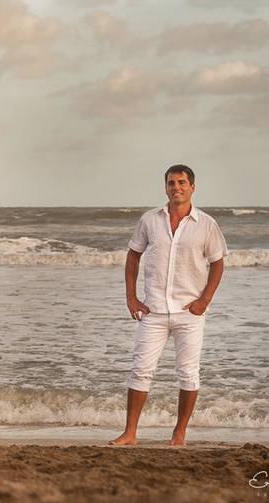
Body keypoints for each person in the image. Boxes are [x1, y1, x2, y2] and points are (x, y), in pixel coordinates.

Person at [110, 164, 226, 447]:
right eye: (171, 183)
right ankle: (130, 433)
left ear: (192, 187)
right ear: (166, 187)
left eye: (182, 183)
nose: (177, 187)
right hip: (154, 311)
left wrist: (204, 300)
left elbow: (218, 262)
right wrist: (131, 297)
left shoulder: (207, 224)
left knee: (188, 372)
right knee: (141, 369)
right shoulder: (150, 220)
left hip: (189, 312)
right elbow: (133, 256)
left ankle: (179, 433)